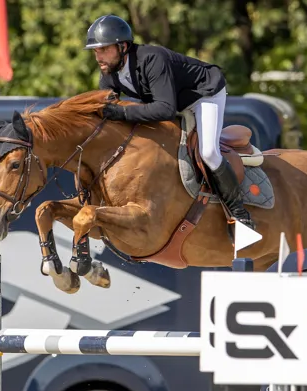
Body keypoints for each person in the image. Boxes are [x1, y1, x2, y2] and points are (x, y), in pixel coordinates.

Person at [84, 14, 256, 232]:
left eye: (104, 49)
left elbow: (164, 109)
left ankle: (240, 217)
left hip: (203, 95)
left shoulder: (151, 59)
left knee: (209, 152)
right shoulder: (109, 74)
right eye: (96, 51)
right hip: (174, 101)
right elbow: (108, 114)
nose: (98, 56)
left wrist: (122, 113)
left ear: (123, 47)